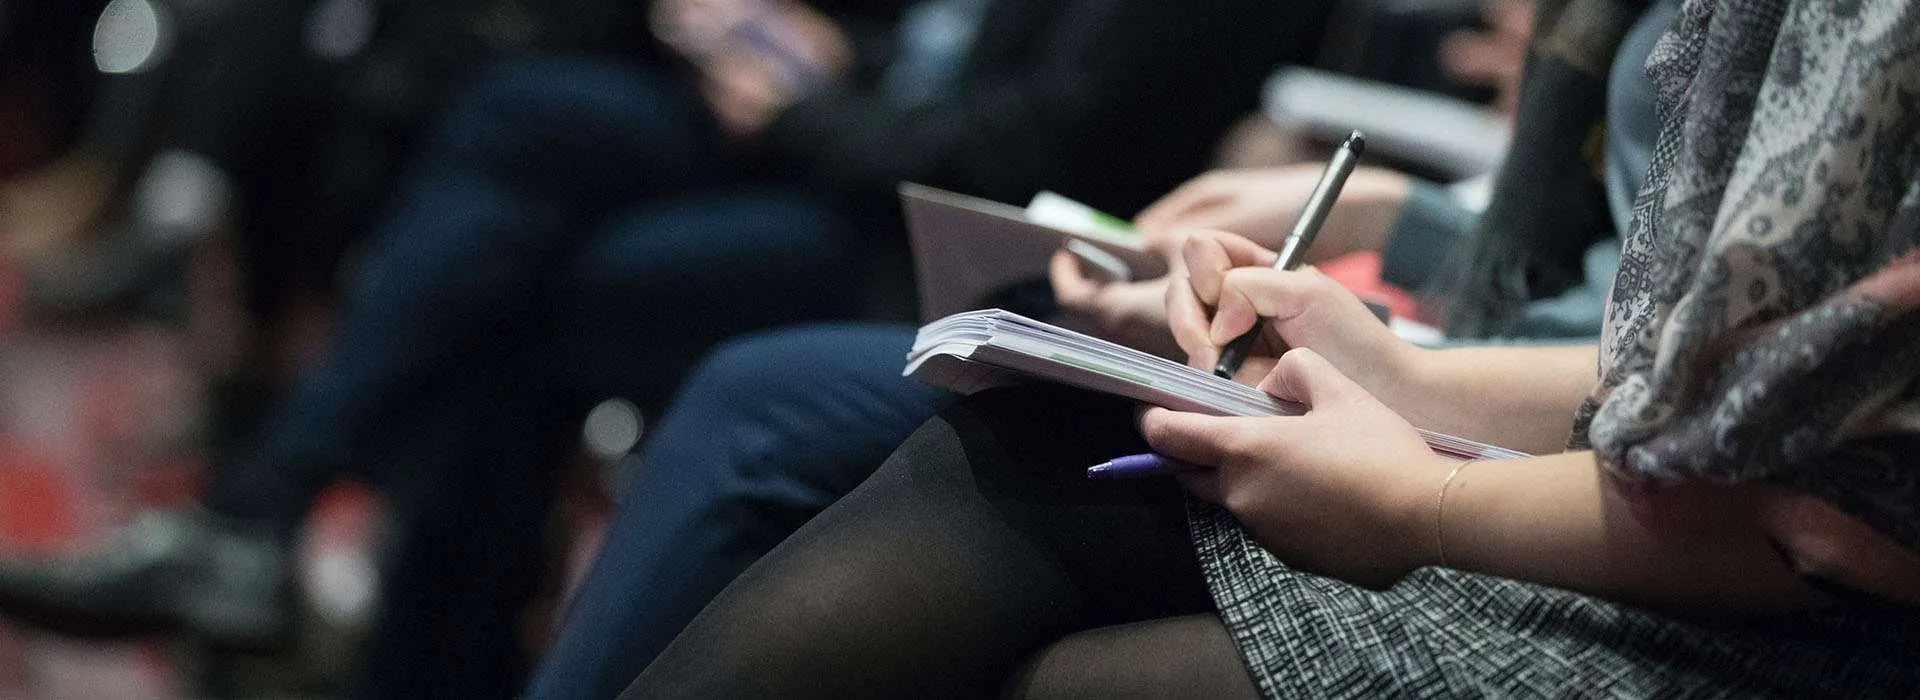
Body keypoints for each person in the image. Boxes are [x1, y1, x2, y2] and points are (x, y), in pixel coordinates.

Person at [0, 0, 1315, 695]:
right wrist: (811, 47)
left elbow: (1012, 152)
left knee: (531, 299)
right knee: (513, 111)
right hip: (853, 147)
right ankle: (284, 537)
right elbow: (930, 49)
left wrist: (811, 98)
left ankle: (288, 544)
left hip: (954, 237)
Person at [610, 0, 1920, 694]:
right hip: (1621, 461)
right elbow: (1696, 366)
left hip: (1788, 616)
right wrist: (1403, 371)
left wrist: (1430, 498)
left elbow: (1823, 502)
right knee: (1006, 439)